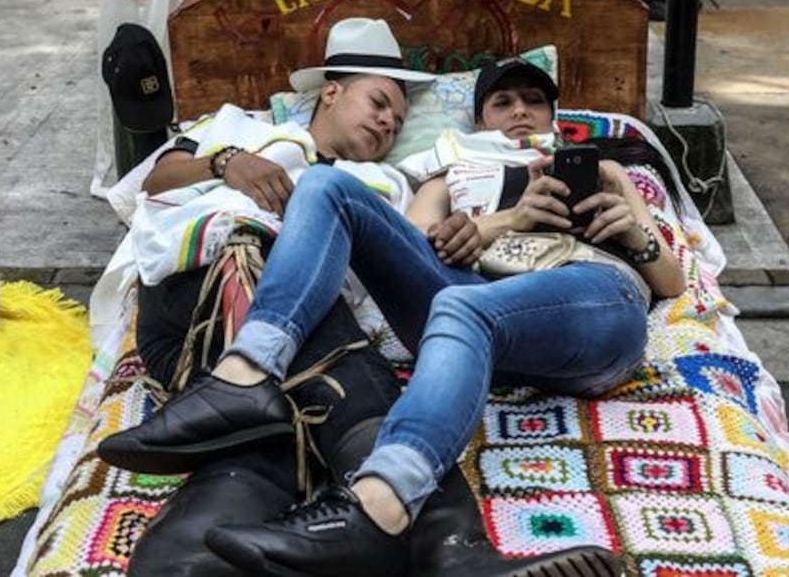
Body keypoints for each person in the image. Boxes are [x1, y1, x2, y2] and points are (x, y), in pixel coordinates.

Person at [103, 55, 677, 576]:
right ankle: (244, 376)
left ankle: (379, 509)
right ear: (477, 119)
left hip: (582, 295)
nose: (520, 111)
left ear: (557, 116)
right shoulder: (445, 170)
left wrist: (633, 232)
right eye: (503, 101)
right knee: (328, 188)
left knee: (459, 306)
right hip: (476, 308)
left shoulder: (602, 170)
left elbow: (671, 282)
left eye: (535, 101)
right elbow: (421, 245)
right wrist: (499, 222)